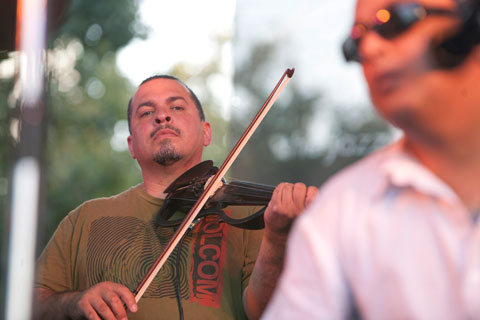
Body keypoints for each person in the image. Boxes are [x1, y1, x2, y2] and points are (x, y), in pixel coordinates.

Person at [33, 75, 318, 320]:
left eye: (176, 107)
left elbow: (263, 311)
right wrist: (75, 302)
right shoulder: (85, 218)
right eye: (146, 112)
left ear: (206, 133)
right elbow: (28, 304)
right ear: (131, 145)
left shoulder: (247, 215)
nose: (161, 116)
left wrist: (277, 236)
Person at [263, 0, 480, 318]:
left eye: (394, 21)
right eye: (356, 40)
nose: (369, 48)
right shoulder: (340, 210)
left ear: (471, 26)